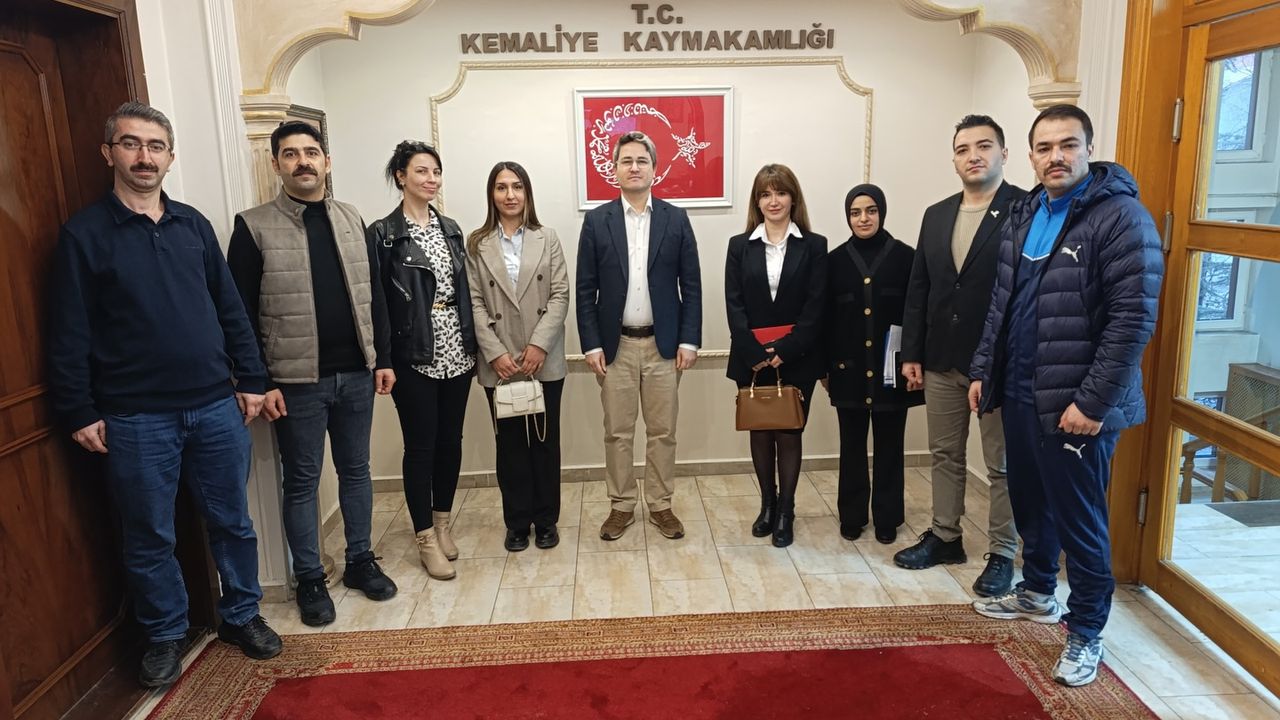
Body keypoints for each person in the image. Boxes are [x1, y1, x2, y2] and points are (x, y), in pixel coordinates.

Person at [48, 101, 282, 687]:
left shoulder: (193, 225)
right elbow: (69, 330)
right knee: (149, 533)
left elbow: (230, 308)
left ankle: (242, 616)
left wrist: (252, 379)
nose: (144, 156)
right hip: (134, 417)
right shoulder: (84, 234)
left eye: (155, 146)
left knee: (232, 521)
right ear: (109, 153)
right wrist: (78, 408)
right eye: (131, 144)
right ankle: (164, 634)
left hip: (216, 406)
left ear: (170, 157)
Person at [968, 105, 1163, 687]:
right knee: (1030, 502)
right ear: (1030, 155)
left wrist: (1093, 403)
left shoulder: (1121, 218)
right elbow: (1001, 304)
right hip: (1022, 392)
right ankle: (1035, 593)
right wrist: (984, 370)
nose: (1056, 157)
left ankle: (1086, 631)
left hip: (1079, 405)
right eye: (1045, 147)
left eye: (1068, 145)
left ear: (1088, 149)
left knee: (1081, 522)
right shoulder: (1027, 211)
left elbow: (1132, 321)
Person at [228, 120, 398, 627]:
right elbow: (239, 312)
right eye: (290, 153)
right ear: (276, 163)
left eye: (310, 152)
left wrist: (382, 358)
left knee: (356, 470)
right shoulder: (253, 226)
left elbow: (374, 295)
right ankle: (309, 578)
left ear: (326, 161)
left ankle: (361, 560)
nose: (302, 161)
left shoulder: (351, 217)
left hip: (357, 374)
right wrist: (259, 382)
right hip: (295, 382)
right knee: (301, 481)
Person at [896, 115, 1026, 597]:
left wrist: (997, 361)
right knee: (945, 453)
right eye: (963, 149)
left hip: (997, 364)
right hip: (940, 359)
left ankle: (1003, 551)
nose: (973, 156)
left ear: (1004, 154)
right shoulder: (936, 214)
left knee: (1001, 464)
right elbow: (920, 287)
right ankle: (946, 536)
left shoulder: (1024, 210)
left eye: (984, 146)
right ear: (953, 160)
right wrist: (912, 351)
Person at [576, 131, 702, 542]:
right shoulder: (597, 221)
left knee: (663, 432)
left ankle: (661, 504)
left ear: (654, 169)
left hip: (664, 346)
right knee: (618, 432)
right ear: (614, 169)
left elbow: (692, 285)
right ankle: (621, 505)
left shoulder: (675, 219)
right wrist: (591, 344)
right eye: (626, 161)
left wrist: (689, 340)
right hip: (616, 348)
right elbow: (585, 289)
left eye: (641, 161)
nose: (634, 167)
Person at [368, 141, 477, 580]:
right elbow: (377, 302)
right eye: (421, 171)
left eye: (436, 172)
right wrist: (383, 358)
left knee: (451, 441)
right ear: (401, 176)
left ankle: (443, 522)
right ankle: (425, 538)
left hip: (457, 348)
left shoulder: (451, 228)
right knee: (421, 446)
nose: (431, 179)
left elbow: (464, 290)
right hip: (412, 352)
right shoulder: (384, 233)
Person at [465, 161, 569, 552]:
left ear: (527, 192)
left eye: (517, 186)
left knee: (544, 441)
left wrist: (539, 345)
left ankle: (546, 520)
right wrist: (495, 353)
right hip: (501, 361)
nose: (510, 195)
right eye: (501, 187)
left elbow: (560, 294)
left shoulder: (547, 237)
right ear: (491, 194)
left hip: (543, 357)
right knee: (509, 446)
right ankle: (517, 522)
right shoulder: (477, 242)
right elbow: (474, 302)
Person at [725, 164, 828, 548]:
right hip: (750, 357)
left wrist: (784, 350)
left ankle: (786, 510)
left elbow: (816, 307)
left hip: (797, 356)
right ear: (757, 201)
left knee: (788, 431)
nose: (773, 201)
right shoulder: (739, 246)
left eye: (780, 193)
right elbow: (734, 303)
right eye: (765, 194)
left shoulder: (814, 245)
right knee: (760, 430)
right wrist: (754, 351)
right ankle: (767, 505)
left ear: (793, 198)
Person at [824, 184, 923, 544]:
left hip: (892, 372)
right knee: (851, 446)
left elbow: (917, 314)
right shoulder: (834, 261)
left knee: (890, 446)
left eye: (870, 211)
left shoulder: (906, 258)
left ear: (881, 212)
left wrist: (915, 359)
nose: (863, 219)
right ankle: (851, 515)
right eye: (855, 212)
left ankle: (887, 517)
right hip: (847, 371)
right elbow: (824, 319)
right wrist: (825, 369)